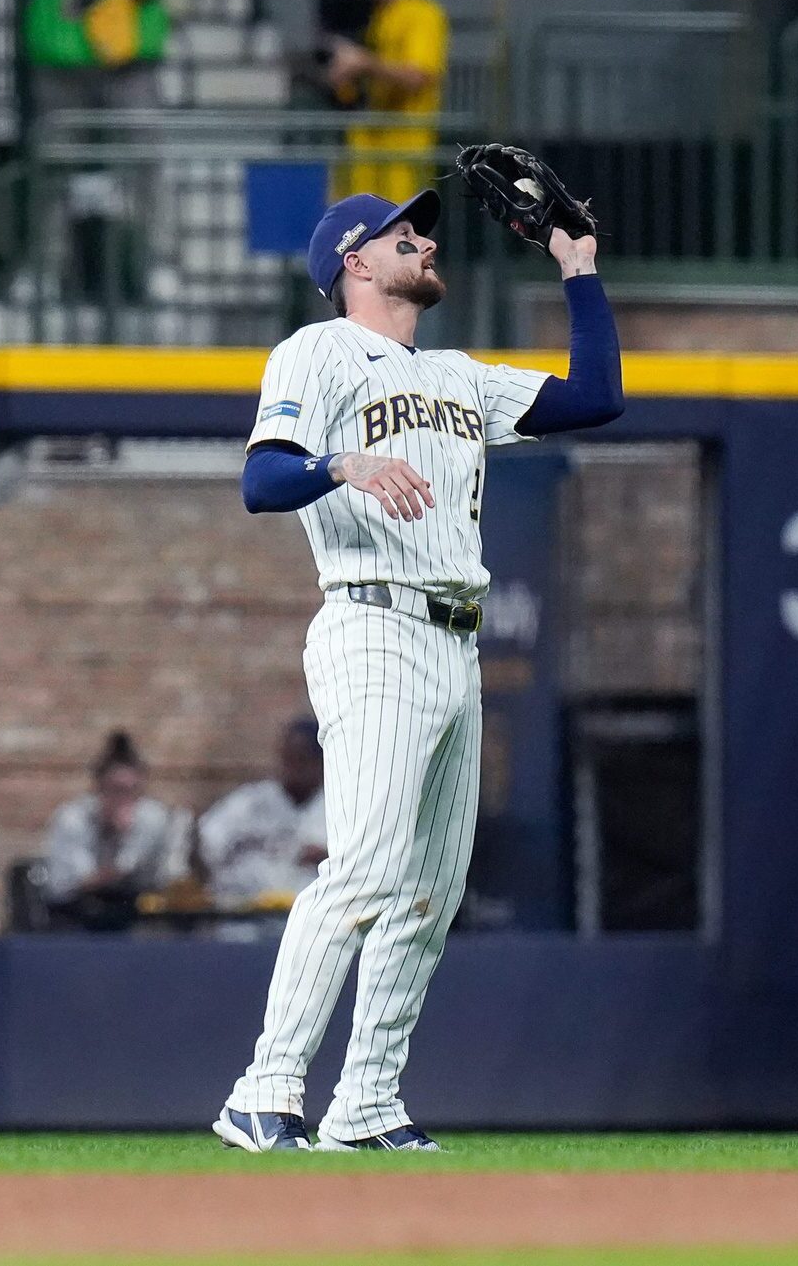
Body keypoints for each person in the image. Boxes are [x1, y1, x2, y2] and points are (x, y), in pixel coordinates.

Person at [212, 179, 623, 1153]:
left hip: (454, 638)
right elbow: (262, 480)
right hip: (373, 622)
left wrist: (578, 271)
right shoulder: (317, 350)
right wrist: (342, 465)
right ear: (353, 259)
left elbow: (596, 397)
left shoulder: (458, 374)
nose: (425, 243)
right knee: (361, 868)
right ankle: (261, 1090)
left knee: (428, 891)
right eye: (405, 233)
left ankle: (366, 1105)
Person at [10, 0, 193, 295]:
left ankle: (160, 263)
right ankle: (44, 266)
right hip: (60, 47)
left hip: (129, 46)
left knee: (145, 158)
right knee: (52, 163)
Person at [326, 0, 449, 202]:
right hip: (361, 155)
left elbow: (419, 76)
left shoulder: (422, 13)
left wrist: (365, 63)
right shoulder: (363, 15)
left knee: (401, 237)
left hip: (404, 156)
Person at [42, 730, 183, 928]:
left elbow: (155, 877)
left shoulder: (152, 818)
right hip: (76, 916)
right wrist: (113, 837)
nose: (123, 799)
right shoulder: (73, 819)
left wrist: (127, 838)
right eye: (116, 790)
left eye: (132, 791)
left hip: (136, 915)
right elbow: (80, 882)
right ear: (99, 788)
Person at [199, 718, 327, 908]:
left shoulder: (335, 806)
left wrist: (321, 854)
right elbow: (205, 843)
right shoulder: (251, 802)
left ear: (320, 762)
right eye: (290, 757)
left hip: (311, 919)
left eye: (303, 758)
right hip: (243, 919)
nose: (295, 767)